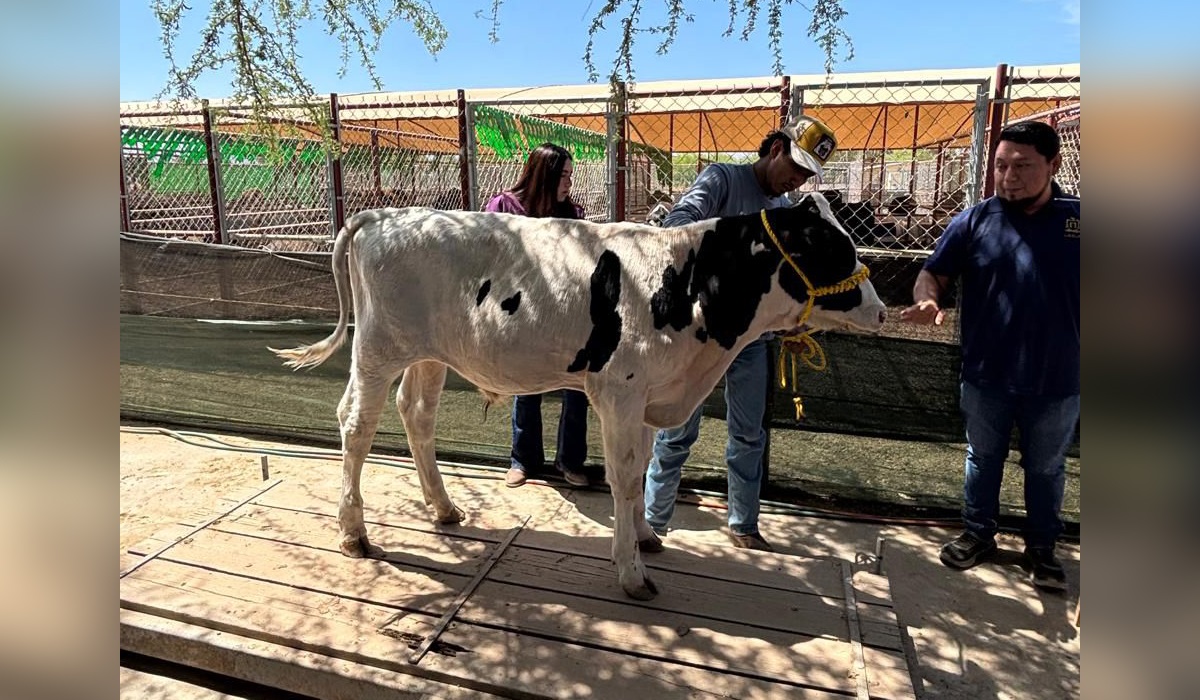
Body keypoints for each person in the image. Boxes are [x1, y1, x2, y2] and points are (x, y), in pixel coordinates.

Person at [641, 115, 839, 552]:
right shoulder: (722, 179)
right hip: (698, 341)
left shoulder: (784, 209)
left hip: (752, 343)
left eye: (807, 175)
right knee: (675, 431)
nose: (798, 180)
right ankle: (652, 522)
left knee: (749, 434)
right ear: (775, 150)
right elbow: (680, 222)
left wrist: (791, 315)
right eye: (796, 167)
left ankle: (744, 523)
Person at [899, 121, 1079, 592]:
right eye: (1001, 165)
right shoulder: (976, 220)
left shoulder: (1081, 219)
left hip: (1059, 378)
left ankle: (1041, 549)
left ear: (1054, 164)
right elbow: (933, 273)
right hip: (986, 374)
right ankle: (978, 535)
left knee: (1046, 467)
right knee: (983, 457)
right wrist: (928, 299)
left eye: (1022, 166)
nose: (1009, 176)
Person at [485, 143, 592, 489]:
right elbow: (489, 258)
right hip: (521, 314)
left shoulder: (572, 213)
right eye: (563, 175)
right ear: (544, 174)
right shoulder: (504, 207)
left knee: (576, 386)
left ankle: (570, 461)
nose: (569, 183)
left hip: (566, 315)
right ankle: (523, 459)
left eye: (570, 176)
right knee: (524, 385)